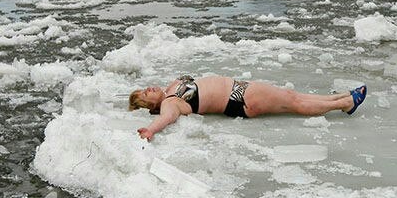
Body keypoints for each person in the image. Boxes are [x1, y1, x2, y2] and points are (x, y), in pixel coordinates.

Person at [128, 75, 367, 141]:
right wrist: (151, 130)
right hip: (239, 98)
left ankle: (342, 98)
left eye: (143, 89)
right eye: (143, 97)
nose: (147, 90)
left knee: (291, 96)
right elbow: (166, 118)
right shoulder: (171, 104)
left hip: (240, 91)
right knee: (294, 102)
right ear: (152, 107)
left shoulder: (171, 88)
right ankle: (346, 104)